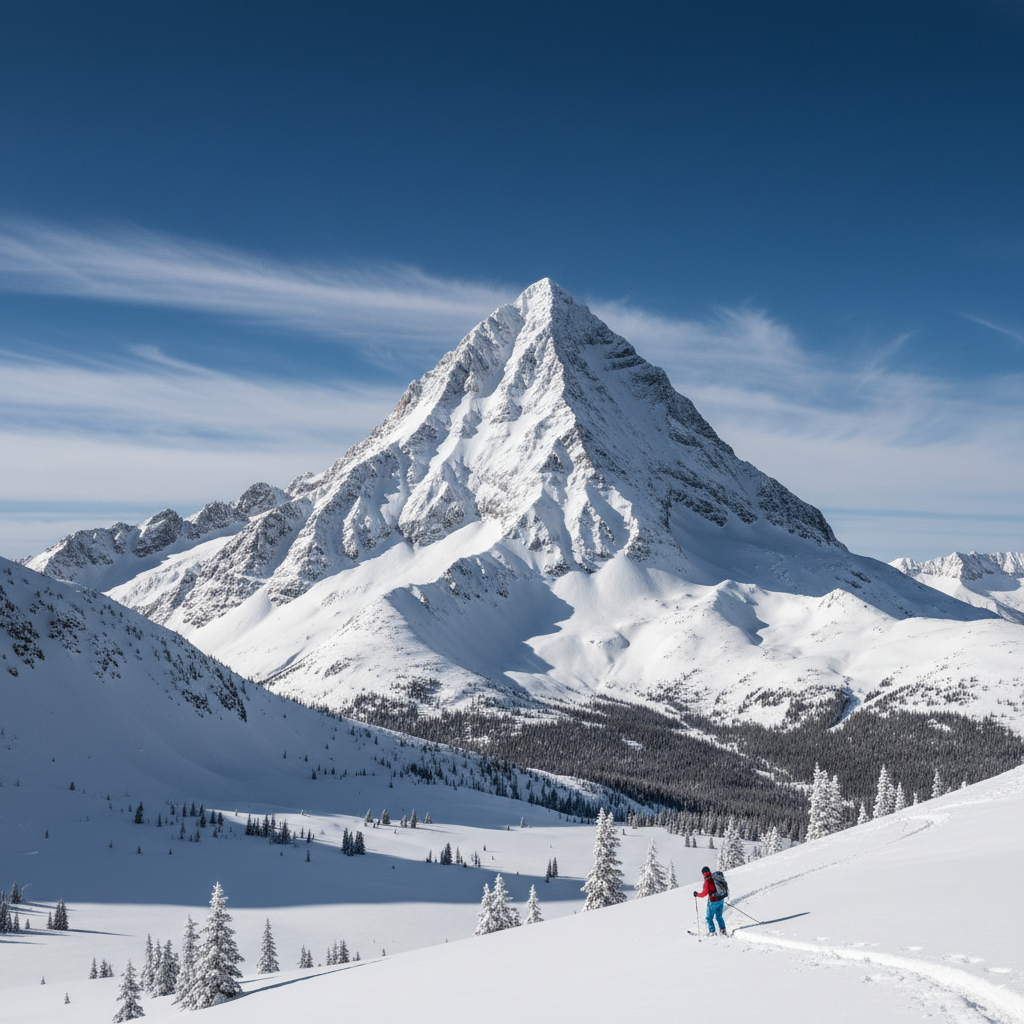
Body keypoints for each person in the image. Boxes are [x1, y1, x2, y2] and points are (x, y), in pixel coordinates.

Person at [694, 866, 727, 936]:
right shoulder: (716, 878)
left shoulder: (707, 881)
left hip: (713, 901)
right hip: (721, 899)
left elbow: (704, 894)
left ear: (704, 873)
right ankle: (723, 930)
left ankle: (712, 932)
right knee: (719, 916)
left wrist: (697, 894)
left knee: (709, 917)